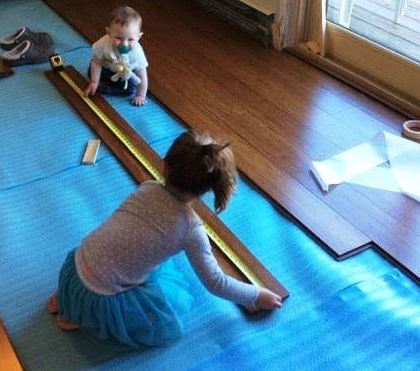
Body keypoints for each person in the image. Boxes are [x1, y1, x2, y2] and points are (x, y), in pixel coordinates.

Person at [47, 130, 282, 347]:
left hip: (75, 265)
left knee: (143, 259)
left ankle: (69, 300)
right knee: (163, 324)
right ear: (210, 189)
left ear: (166, 166)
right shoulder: (191, 229)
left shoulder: (147, 187)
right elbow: (216, 282)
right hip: (99, 293)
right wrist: (255, 295)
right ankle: (85, 314)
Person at [84, 6, 148, 106]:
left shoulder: (136, 53)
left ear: (138, 37)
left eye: (130, 40)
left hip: (125, 74)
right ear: (109, 33)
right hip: (107, 69)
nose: (124, 44)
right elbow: (96, 62)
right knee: (91, 71)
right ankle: (99, 85)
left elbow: (142, 75)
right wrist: (94, 82)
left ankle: (106, 88)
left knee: (131, 89)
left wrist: (141, 95)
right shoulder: (103, 43)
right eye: (119, 38)